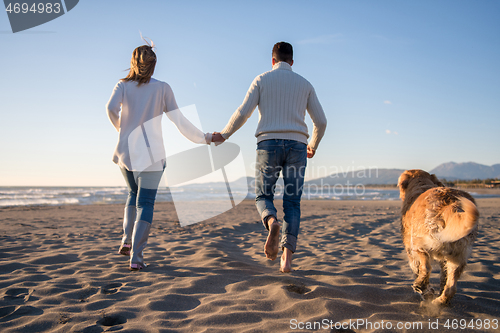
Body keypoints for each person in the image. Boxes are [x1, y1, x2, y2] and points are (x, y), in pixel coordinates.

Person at [213, 42, 327, 273]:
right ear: (292, 62)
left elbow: (243, 112)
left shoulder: (262, 79)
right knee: (293, 203)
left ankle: (272, 222)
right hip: (298, 146)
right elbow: (321, 121)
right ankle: (287, 259)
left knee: (263, 195)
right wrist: (312, 145)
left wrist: (224, 134)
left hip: (268, 144)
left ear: (273, 61)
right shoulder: (305, 84)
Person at [106, 41, 212, 271]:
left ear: (133, 63)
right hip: (152, 155)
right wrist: (205, 137)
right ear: (153, 66)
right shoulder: (163, 88)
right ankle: (136, 256)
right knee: (145, 202)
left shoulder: (122, 86)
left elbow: (110, 108)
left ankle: (126, 239)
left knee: (132, 194)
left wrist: (121, 130)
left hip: (126, 153)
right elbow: (180, 121)